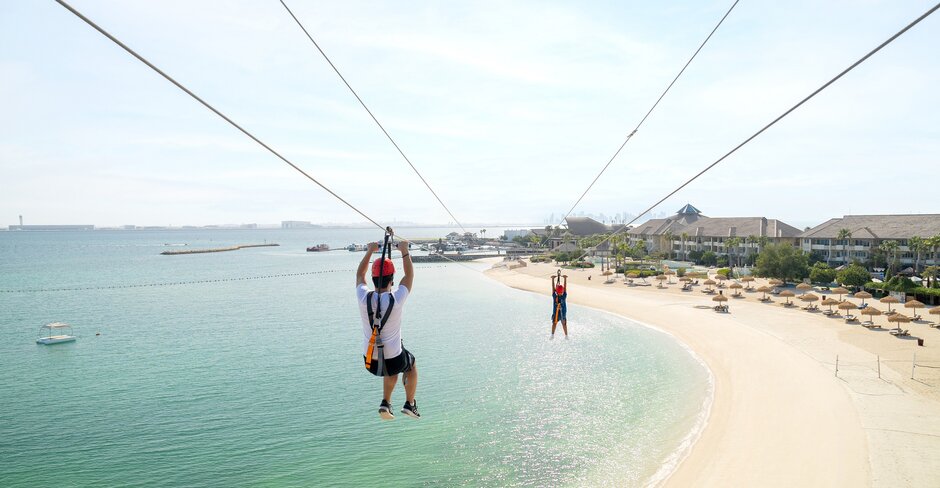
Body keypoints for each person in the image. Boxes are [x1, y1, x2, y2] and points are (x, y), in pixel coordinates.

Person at [356, 234, 419, 420]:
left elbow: (360, 275)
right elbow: (409, 276)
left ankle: (386, 402)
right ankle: (410, 404)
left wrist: (369, 250)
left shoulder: (362, 297)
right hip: (393, 359)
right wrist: (405, 250)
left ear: (374, 279)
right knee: (411, 364)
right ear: (392, 278)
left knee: (389, 366)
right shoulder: (396, 299)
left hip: (370, 362)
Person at [551, 273, 568, 339]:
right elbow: (565, 288)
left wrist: (552, 279)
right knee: (563, 324)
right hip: (560, 313)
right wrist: (565, 279)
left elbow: (553, 288)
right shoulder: (563, 296)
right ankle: (566, 335)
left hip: (558, 313)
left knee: (555, 324)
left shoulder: (555, 296)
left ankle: (553, 335)